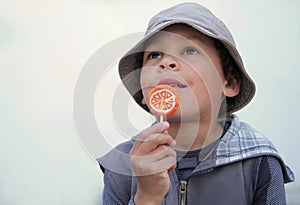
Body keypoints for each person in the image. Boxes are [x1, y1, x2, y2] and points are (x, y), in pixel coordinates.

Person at [97, 2, 294, 204]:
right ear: (144, 96)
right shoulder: (120, 166)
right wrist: (146, 197)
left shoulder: (259, 162)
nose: (166, 62)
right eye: (154, 55)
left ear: (230, 82)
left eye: (190, 51)